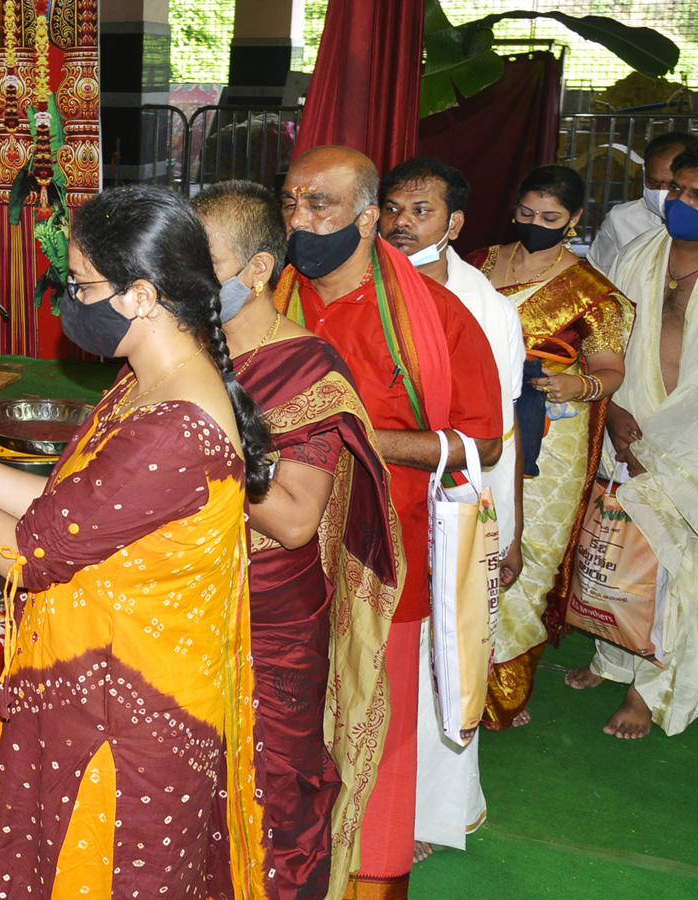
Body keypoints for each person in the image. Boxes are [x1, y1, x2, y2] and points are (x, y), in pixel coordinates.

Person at [0, 184, 276, 898]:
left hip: (133, 720)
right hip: (87, 688)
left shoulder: (177, 427)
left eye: (81, 285)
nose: (70, 303)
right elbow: (64, 506)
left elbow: (26, 553)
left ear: (142, 295)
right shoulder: (144, 380)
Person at [276, 146, 504, 900]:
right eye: (292, 203)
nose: (301, 221)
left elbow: (483, 441)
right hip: (279, 549)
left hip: (387, 556)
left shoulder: (434, 316)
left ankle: (369, 881)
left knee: (378, 731)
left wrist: (356, 437)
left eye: (321, 206)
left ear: (369, 218)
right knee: (283, 724)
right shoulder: (268, 300)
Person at [194, 180, 403, 899]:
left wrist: (208, 438)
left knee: (272, 803)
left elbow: (291, 520)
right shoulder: (188, 349)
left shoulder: (304, 368)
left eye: (201, 262)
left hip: (269, 615)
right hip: (184, 602)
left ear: (255, 270)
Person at [380, 156, 526, 860]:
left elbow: (496, 439)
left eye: (421, 211)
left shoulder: (485, 309)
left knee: (443, 664)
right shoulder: (368, 286)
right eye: (394, 209)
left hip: (454, 510)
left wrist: (505, 535)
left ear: (455, 223)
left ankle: (431, 816)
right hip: (383, 505)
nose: (402, 223)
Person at [467, 165, 633, 730]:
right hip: (476, 420)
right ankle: (450, 674)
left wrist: (578, 385)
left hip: (552, 436)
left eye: (551, 219)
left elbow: (611, 370)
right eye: (527, 215)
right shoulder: (476, 265)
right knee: (466, 540)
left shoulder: (596, 293)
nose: (536, 225)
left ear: (576, 220)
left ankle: (501, 690)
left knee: (528, 553)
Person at [567, 137, 698, 739]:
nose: (681, 202)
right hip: (631, 424)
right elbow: (606, 345)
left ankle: (648, 689)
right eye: (677, 189)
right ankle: (618, 654)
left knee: (678, 567)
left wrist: (675, 441)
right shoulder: (639, 254)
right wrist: (619, 410)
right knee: (624, 555)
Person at [587, 132, 698, 276]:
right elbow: (599, 275)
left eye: (673, 186)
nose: (661, 193)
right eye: (653, 182)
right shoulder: (621, 219)